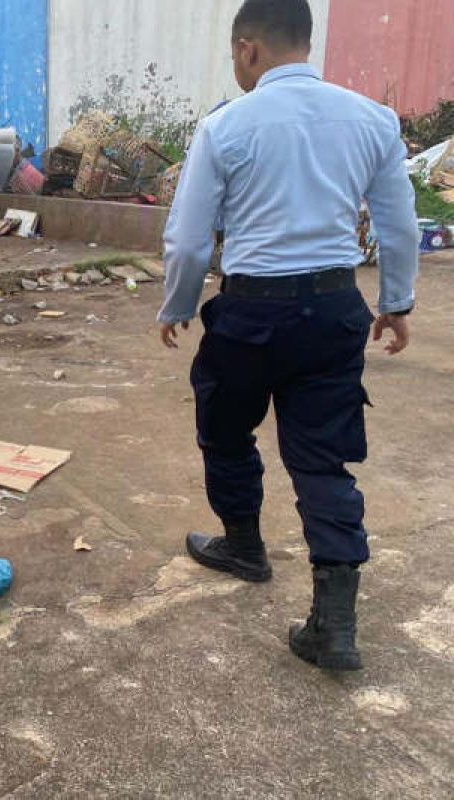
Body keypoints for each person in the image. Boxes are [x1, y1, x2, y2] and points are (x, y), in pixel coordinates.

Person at [158, 0, 418, 671]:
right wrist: (396, 302)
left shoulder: (225, 127)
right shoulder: (373, 120)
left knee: (223, 428)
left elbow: (188, 242)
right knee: (322, 458)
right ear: (305, 42)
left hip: (249, 315)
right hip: (334, 310)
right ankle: (334, 622)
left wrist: (178, 304)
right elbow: (398, 227)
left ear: (248, 49)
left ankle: (244, 547)